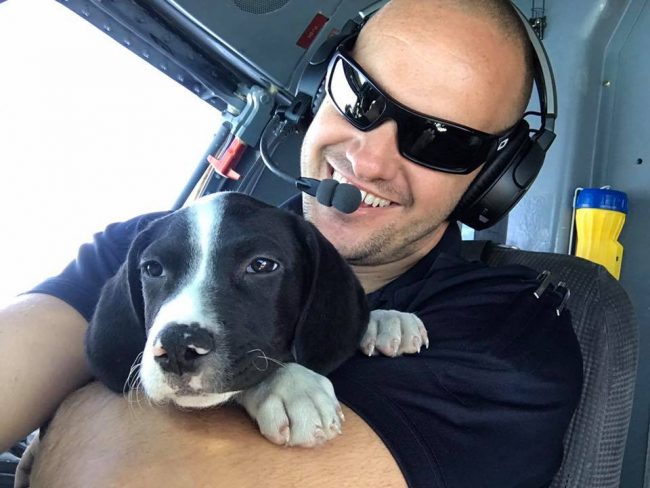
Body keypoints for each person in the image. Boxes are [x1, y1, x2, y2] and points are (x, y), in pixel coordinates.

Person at [0, 0, 583, 486]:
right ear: (317, 87)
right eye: (361, 97)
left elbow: (129, 477)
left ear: (495, 179)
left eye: (444, 141)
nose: (367, 158)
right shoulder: (154, 244)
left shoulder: (511, 333)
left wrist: (66, 408)